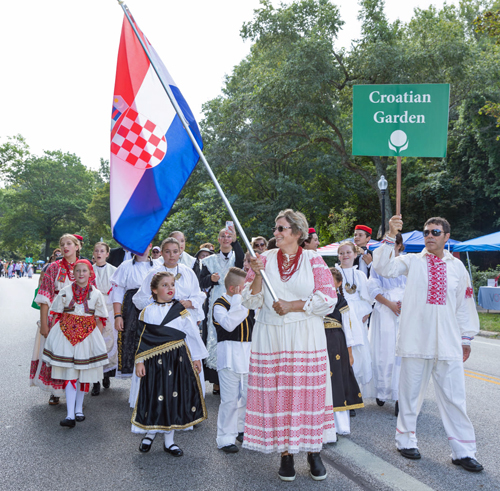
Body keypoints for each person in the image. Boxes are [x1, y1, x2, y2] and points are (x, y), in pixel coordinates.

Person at [373, 215, 483, 472]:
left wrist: (466, 338)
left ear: (446, 236)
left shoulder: (457, 268)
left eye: (435, 232)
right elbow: (383, 268)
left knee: (455, 398)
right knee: (410, 396)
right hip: (415, 341)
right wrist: (390, 235)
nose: (429, 236)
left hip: (448, 344)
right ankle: (405, 440)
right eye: (426, 232)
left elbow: (465, 306)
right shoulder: (411, 261)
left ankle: (463, 451)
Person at [242, 209, 337, 482]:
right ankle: (286, 454)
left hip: (305, 334)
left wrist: (293, 305)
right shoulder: (264, 259)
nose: (276, 233)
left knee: (306, 393)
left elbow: (328, 299)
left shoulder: (314, 259)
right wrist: (257, 273)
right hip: (270, 336)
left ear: (296, 233)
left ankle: (313, 452)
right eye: (276, 229)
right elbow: (250, 302)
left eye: (281, 229)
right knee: (278, 393)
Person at [130, 272, 208, 455]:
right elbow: (141, 339)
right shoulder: (147, 311)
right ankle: (150, 434)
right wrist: (139, 361)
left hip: (177, 360)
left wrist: (196, 358)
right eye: (165, 285)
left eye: (172, 284)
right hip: (154, 363)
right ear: (155, 290)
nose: (170, 288)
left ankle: (169, 441)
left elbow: (192, 334)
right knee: (155, 396)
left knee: (173, 396)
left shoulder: (181, 310)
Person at [41, 259, 109, 427]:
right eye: (77, 271)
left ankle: (79, 409)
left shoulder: (96, 294)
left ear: (90, 273)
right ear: (73, 273)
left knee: (83, 374)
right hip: (66, 336)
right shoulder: (65, 292)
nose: (80, 274)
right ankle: (70, 414)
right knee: (70, 373)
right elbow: (56, 314)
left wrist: (95, 339)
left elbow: (101, 319)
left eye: (84, 271)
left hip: (87, 337)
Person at [32, 234, 84, 405]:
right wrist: (44, 324)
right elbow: (44, 297)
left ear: (77, 247)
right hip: (57, 321)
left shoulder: (84, 267)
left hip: (79, 321)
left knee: (75, 357)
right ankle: (55, 391)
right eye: (62, 244)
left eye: (69, 243)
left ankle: (74, 390)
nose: (65, 247)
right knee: (56, 356)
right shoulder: (53, 268)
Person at [213, 267, 254, 454]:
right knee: (229, 400)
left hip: (248, 355)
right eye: (243, 288)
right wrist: (238, 300)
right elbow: (229, 325)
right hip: (229, 355)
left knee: (246, 396)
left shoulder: (248, 302)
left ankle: (241, 428)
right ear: (233, 289)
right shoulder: (220, 304)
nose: (247, 290)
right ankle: (225, 438)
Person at [199, 226, 244, 395]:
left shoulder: (237, 258)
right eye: (222, 236)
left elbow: (242, 263)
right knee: (216, 335)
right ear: (218, 240)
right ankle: (217, 381)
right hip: (216, 300)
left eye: (228, 236)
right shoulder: (208, 261)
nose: (226, 239)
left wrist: (236, 239)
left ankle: (235, 376)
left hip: (236, 299)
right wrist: (210, 279)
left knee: (234, 333)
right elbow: (201, 282)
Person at [366, 234, 406, 415]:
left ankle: (400, 396)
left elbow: (416, 287)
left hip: (405, 311)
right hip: (384, 311)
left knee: (402, 352)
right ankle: (382, 390)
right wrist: (389, 304)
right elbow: (372, 288)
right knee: (384, 351)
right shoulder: (377, 265)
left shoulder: (407, 264)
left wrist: (406, 304)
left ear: (398, 245)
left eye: (390, 244)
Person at [325, 268, 364, 435]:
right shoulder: (315, 300)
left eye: (330, 280)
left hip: (337, 343)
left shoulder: (341, 301)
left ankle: (341, 425)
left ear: (339, 283)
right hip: (319, 340)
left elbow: (348, 329)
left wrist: (349, 353)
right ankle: (324, 424)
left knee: (338, 381)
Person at [110, 243, 156, 378]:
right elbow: (117, 292)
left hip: (153, 306)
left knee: (151, 340)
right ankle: (136, 385)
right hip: (131, 308)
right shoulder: (125, 266)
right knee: (132, 341)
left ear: (150, 246)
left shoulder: (158, 266)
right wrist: (118, 315)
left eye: (145, 244)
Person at [336, 241, 373, 408]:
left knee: (358, 353)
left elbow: (367, 298)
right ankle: (342, 392)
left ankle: (355, 393)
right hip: (340, 315)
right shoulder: (335, 272)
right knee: (342, 351)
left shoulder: (360, 276)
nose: (345, 256)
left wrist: (365, 313)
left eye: (348, 253)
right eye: (341, 253)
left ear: (355, 254)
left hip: (357, 317)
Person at [90, 242, 118, 396]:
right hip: (93, 308)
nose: (99, 253)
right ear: (93, 253)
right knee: (94, 343)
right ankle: (95, 380)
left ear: (107, 254)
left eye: (102, 251)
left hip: (109, 308)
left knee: (108, 342)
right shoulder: (88, 270)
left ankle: (106, 373)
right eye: (96, 250)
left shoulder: (114, 271)